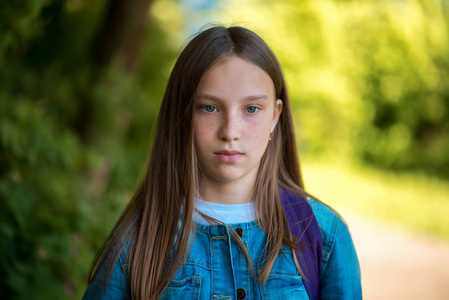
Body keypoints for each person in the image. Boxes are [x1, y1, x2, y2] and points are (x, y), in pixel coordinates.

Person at [83, 26, 362, 300]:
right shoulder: (138, 240)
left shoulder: (325, 235)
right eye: (210, 108)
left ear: (275, 117)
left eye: (251, 109)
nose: (230, 131)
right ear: (182, 114)